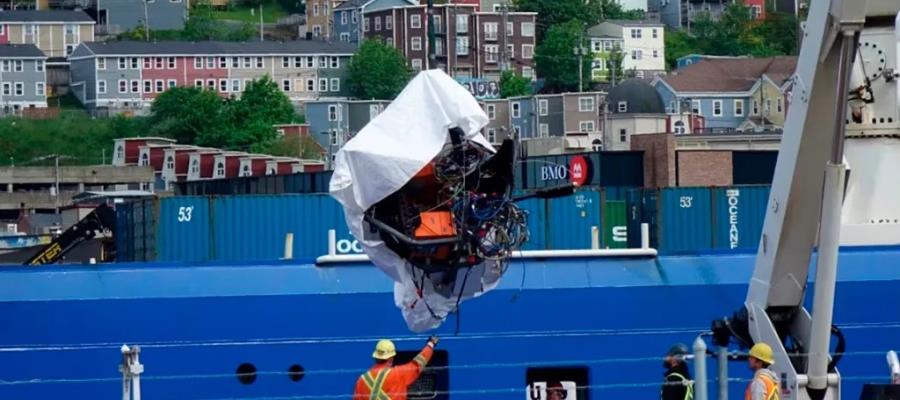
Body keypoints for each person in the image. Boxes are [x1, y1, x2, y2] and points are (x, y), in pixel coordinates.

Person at [353, 336, 438, 400]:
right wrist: (431, 344)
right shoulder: (398, 374)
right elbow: (418, 363)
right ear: (391, 357)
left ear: (375, 357)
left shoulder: (362, 380)